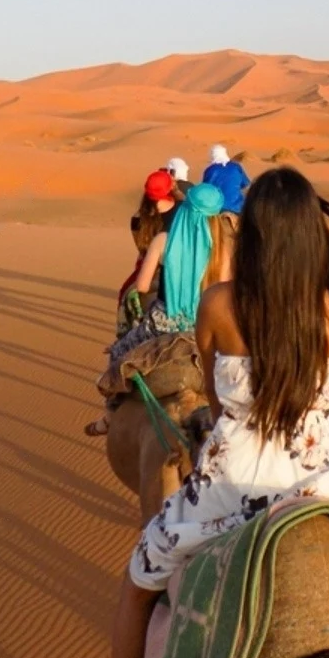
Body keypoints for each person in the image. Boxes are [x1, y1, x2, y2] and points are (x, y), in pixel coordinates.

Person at [107, 167, 329, 658]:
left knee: (138, 589)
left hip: (232, 482)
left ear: (253, 236)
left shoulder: (218, 305)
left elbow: (216, 401)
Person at [87, 181, 232, 437]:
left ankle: (110, 416)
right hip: (206, 326)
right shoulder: (222, 251)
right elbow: (222, 290)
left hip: (161, 323)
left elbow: (142, 286)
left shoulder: (163, 240)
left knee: (118, 358)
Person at [118, 170, 182, 336]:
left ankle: (124, 337)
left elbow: (142, 249)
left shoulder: (137, 219)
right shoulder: (183, 212)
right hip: (179, 268)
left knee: (125, 295)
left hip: (149, 267)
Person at [200, 143, 251, 216]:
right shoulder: (236, 167)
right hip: (237, 208)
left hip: (216, 209)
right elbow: (246, 185)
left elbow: (205, 190)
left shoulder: (210, 170)